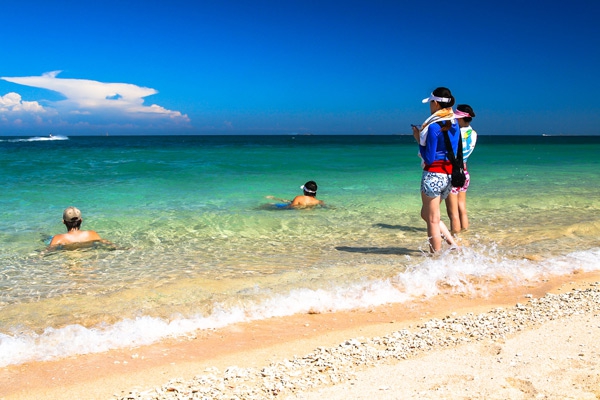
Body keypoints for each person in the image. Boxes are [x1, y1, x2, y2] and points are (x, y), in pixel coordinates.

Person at [411, 87, 461, 253]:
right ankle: (452, 244)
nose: (429, 106)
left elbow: (430, 158)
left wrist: (419, 139)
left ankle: (436, 259)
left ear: (435, 102)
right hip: (448, 176)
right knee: (427, 214)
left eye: (430, 102)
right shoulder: (454, 123)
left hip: (433, 174)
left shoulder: (433, 126)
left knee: (431, 219)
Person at [445, 104, 477, 234]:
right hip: (465, 173)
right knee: (462, 207)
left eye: (457, 118)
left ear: (462, 118)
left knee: (453, 213)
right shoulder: (474, 133)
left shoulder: (455, 133)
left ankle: (456, 241)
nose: (455, 120)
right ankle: (465, 234)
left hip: (453, 173)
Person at [48, 206, 113, 249]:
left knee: (47, 238)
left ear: (64, 222)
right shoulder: (92, 234)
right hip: (89, 264)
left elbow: (46, 251)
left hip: (70, 264)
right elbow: (109, 244)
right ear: (81, 220)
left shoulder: (59, 238)